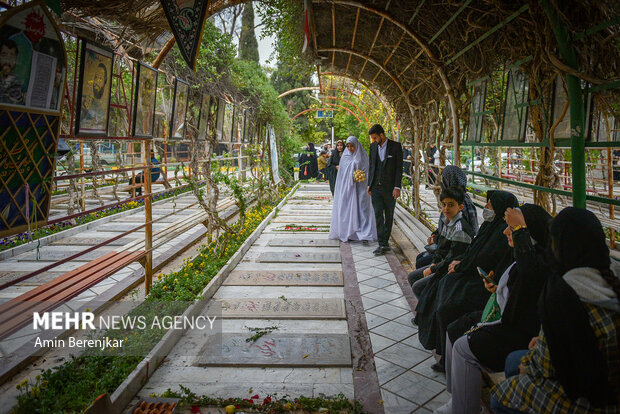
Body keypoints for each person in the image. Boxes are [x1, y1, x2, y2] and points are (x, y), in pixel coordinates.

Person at [491, 207, 620, 413]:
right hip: (606, 380)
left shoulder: (565, 294)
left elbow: (545, 366)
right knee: (514, 360)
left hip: (590, 398)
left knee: (501, 393)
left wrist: (531, 362)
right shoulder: (611, 275)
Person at [436, 204, 552, 414]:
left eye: (513, 228)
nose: (506, 231)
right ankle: (458, 397)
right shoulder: (525, 255)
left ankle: (464, 408)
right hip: (504, 313)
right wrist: (497, 288)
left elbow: (530, 278)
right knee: (454, 327)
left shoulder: (537, 261)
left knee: (463, 346)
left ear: (528, 232)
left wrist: (520, 233)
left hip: (518, 330)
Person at [415, 190, 518, 371]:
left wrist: (460, 265)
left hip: (481, 282)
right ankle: (441, 348)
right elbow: (472, 252)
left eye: (490, 206)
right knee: (444, 286)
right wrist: (460, 264)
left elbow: (483, 259)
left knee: (447, 306)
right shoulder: (489, 226)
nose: (485, 208)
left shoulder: (502, 234)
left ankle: (448, 360)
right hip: (470, 272)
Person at [413, 165, 479, 271]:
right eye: (444, 205)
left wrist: (437, 241)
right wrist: (435, 235)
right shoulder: (451, 199)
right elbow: (446, 226)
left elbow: (456, 238)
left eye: (443, 178)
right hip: (445, 244)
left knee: (421, 261)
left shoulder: (462, 203)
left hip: (453, 249)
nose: (441, 182)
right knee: (421, 258)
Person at [408, 186, 475, 289]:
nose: (446, 208)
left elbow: (452, 258)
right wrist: (433, 264)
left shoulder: (459, 229)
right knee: (413, 276)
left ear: (460, 207)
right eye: (444, 205)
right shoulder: (448, 221)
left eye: (451, 205)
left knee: (418, 286)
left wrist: (433, 269)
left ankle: (428, 303)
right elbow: (441, 249)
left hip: (451, 269)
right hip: (442, 263)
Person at [329, 136, 377, 243]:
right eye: (348, 146)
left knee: (362, 209)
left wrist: (359, 176)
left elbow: (367, 171)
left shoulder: (362, 156)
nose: (350, 149)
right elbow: (341, 175)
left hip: (361, 188)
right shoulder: (345, 157)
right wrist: (351, 178)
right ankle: (350, 231)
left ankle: (364, 232)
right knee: (348, 209)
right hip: (348, 189)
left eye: (352, 146)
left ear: (357, 145)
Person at [367, 124, 403, 255]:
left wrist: (397, 187)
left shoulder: (395, 146)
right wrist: (369, 184)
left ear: (382, 135)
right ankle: (382, 243)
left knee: (388, 215)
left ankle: (385, 241)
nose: (374, 140)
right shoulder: (372, 147)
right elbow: (372, 166)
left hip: (390, 188)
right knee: (378, 215)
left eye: (375, 137)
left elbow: (399, 168)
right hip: (375, 187)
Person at [0, 39, 24, 105]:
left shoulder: (20, 83)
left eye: (12, 55)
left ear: (16, 60)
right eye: (4, 55)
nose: (8, 59)